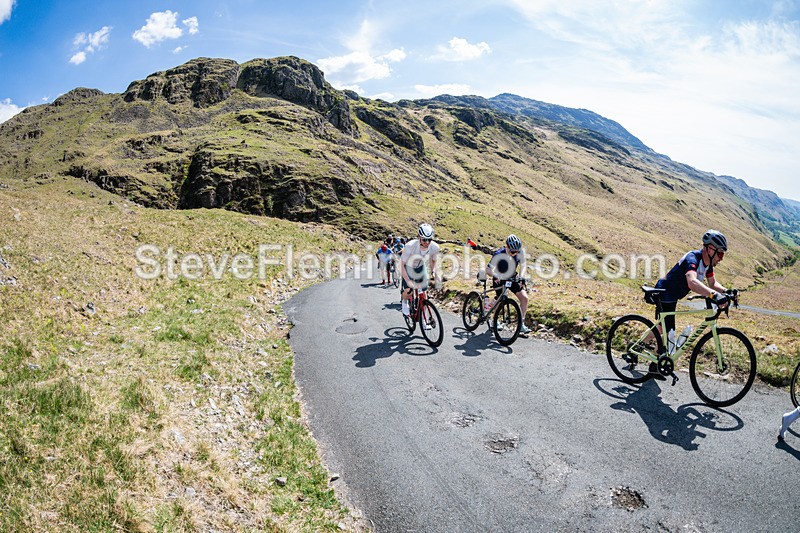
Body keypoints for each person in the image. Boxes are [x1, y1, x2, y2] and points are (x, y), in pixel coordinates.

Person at [651, 230, 730, 377]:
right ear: (710, 248)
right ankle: (654, 362)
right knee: (668, 332)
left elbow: (712, 283)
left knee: (662, 328)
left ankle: (653, 359)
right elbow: (692, 282)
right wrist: (713, 295)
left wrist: (727, 291)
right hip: (666, 292)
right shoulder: (692, 259)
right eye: (720, 254)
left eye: (723, 254)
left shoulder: (707, 264)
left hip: (674, 295)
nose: (721, 258)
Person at [485, 234, 531, 334]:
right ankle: (495, 321)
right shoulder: (498, 254)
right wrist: (496, 275)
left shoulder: (519, 252)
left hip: (512, 277)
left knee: (524, 298)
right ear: (507, 247)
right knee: (500, 298)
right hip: (499, 278)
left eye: (517, 251)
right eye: (512, 251)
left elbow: (523, 265)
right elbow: (488, 269)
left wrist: (522, 277)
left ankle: (521, 324)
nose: (515, 254)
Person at [400, 223, 440, 318]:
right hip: (408, 267)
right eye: (424, 239)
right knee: (408, 289)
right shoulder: (410, 246)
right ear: (419, 237)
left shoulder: (435, 247)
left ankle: (423, 317)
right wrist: (408, 281)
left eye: (429, 239)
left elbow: (433, 260)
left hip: (421, 267)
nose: (427, 242)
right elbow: (401, 264)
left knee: (424, 294)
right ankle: (404, 301)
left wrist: (433, 271)